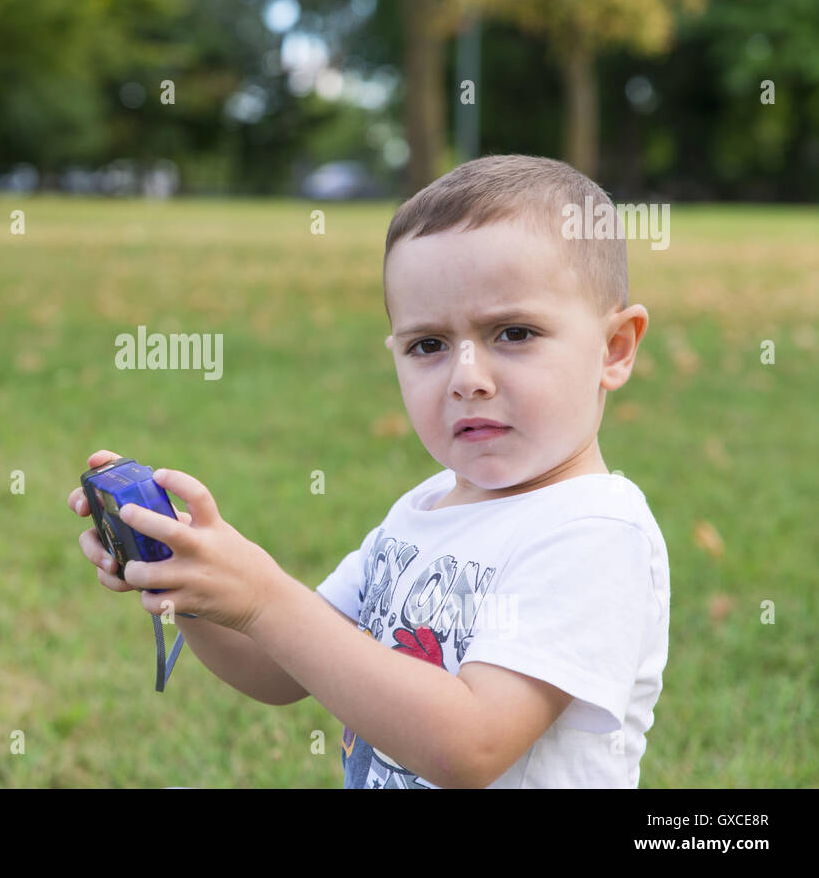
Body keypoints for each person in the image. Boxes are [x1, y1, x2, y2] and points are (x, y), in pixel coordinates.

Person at [68, 154, 669, 788]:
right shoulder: (425, 508)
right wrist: (190, 579)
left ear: (615, 348)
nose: (468, 377)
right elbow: (276, 670)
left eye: (513, 333)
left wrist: (267, 596)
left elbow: (470, 746)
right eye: (428, 346)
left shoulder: (594, 532)